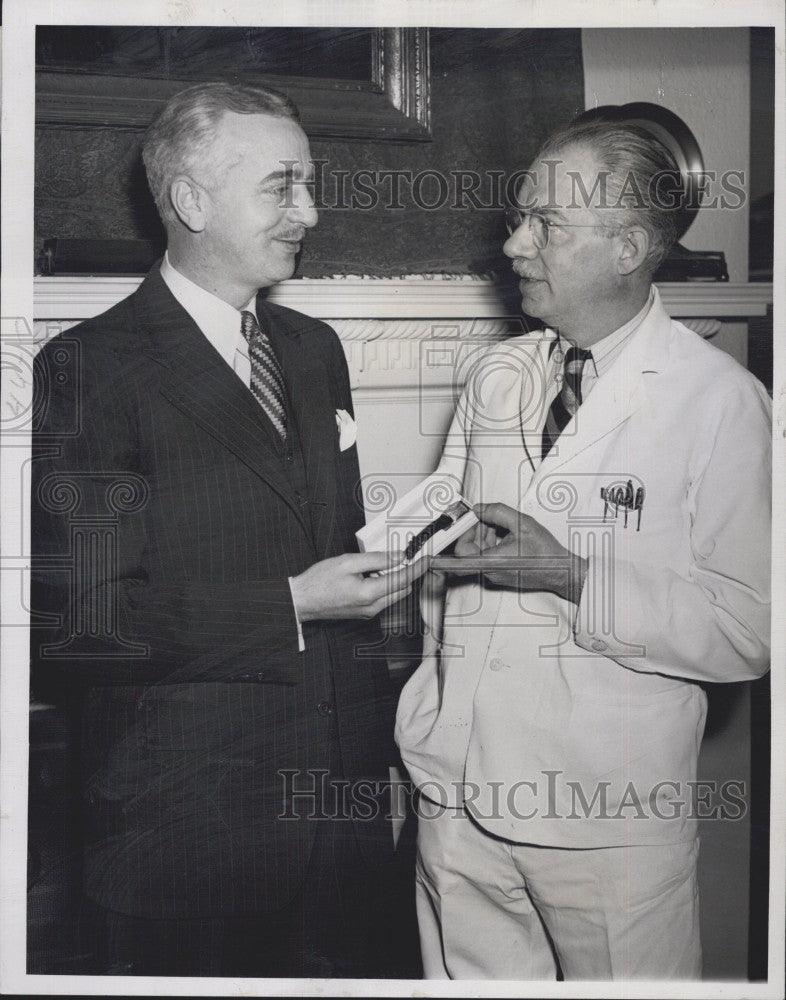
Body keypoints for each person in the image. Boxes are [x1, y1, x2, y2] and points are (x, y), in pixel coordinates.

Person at [30, 82, 425, 978]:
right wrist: (291, 603)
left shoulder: (314, 351)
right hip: (189, 840)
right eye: (283, 187)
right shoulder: (89, 367)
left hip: (343, 831)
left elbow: (336, 545)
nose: (311, 213)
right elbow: (84, 629)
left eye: (310, 185)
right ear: (192, 201)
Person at [395, 117, 771, 980]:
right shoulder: (500, 374)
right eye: (518, 218)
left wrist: (571, 576)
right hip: (458, 802)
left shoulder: (721, 402)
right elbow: (441, 529)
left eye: (546, 225)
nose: (514, 244)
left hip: (609, 826)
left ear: (629, 247)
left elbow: (751, 629)